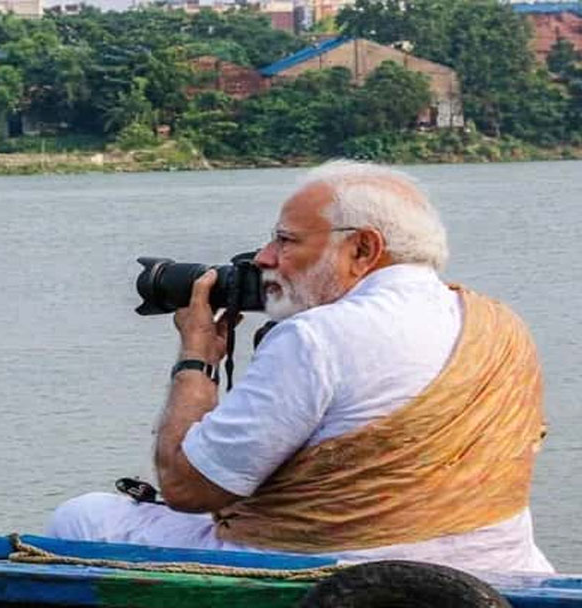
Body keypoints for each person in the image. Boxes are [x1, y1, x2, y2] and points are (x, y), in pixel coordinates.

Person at [48, 160, 552, 573]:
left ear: (362, 248)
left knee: (85, 517)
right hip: (500, 572)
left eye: (286, 241)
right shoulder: (499, 323)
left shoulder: (316, 337)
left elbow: (186, 487)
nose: (264, 258)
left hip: (334, 577)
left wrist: (197, 356)